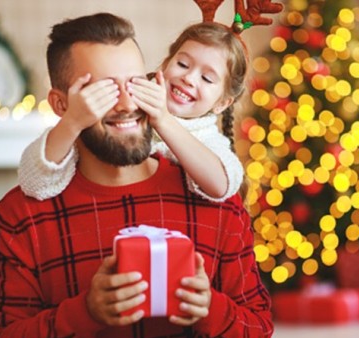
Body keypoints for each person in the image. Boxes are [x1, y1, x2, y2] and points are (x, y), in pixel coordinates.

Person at [0, 12, 273, 338]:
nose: (126, 102)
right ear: (61, 105)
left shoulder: (213, 198)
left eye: (134, 83)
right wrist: (83, 314)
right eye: (101, 91)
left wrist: (209, 311)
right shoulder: (21, 216)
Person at [18, 19, 248, 203]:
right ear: (165, 64)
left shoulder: (206, 136)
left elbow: (221, 186)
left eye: (207, 78)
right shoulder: (124, 106)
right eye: (183, 65)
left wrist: (164, 121)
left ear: (222, 103)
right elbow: (34, 180)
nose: (188, 78)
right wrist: (72, 121)